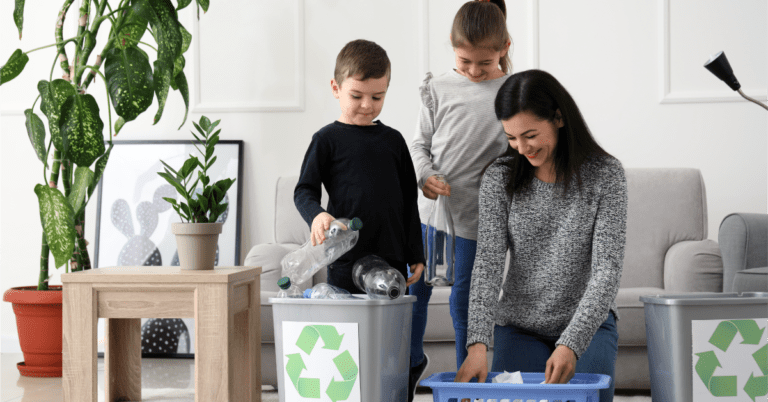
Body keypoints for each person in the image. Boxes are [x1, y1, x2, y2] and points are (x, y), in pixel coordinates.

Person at [455, 69, 627, 402]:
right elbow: (488, 264)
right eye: (511, 138)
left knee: (588, 397)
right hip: (520, 326)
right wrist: (477, 344)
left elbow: (607, 271)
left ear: (559, 118)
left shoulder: (607, 175)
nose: (521, 148)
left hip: (588, 325)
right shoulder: (499, 178)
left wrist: (571, 343)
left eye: (530, 135)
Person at [408, 0, 512, 399]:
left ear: (504, 46)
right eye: (464, 60)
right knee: (413, 295)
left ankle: (467, 383)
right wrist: (424, 176)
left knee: (466, 303)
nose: (472, 71)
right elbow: (419, 144)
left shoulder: (510, 92)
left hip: (476, 221)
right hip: (428, 217)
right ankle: (410, 365)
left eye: (483, 64)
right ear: (452, 47)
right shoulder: (436, 88)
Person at [294, 39, 425, 300]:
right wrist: (318, 215)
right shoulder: (326, 140)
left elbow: (410, 201)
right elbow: (304, 190)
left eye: (377, 97)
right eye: (356, 96)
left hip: (392, 261)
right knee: (348, 335)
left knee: (389, 333)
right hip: (345, 260)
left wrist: (416, 254)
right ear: (336, 88)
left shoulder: (394, 141)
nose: (368, 105)